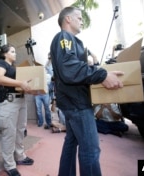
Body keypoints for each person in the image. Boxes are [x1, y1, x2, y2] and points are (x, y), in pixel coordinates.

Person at [50, 7, 124, 176]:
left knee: (71, 142)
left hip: (72, 101)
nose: (82, 20)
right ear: (68, 19)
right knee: (90, 149)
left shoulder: (71, 40)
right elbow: (69, 68)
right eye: (79, 17)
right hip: (77, 104)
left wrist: (95, 69)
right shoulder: (64, 37)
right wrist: (102, 74)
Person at [0, 44, 34, 176]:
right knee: (9, 132)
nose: (15, 54)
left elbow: (22, 84)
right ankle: (9, 164)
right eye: (12, 51)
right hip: (8, 101)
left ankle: (20, 156)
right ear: (5, 53)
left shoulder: (15, 68)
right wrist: (20, 83)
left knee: (20, 130)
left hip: (20, 100)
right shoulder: (0, 63)